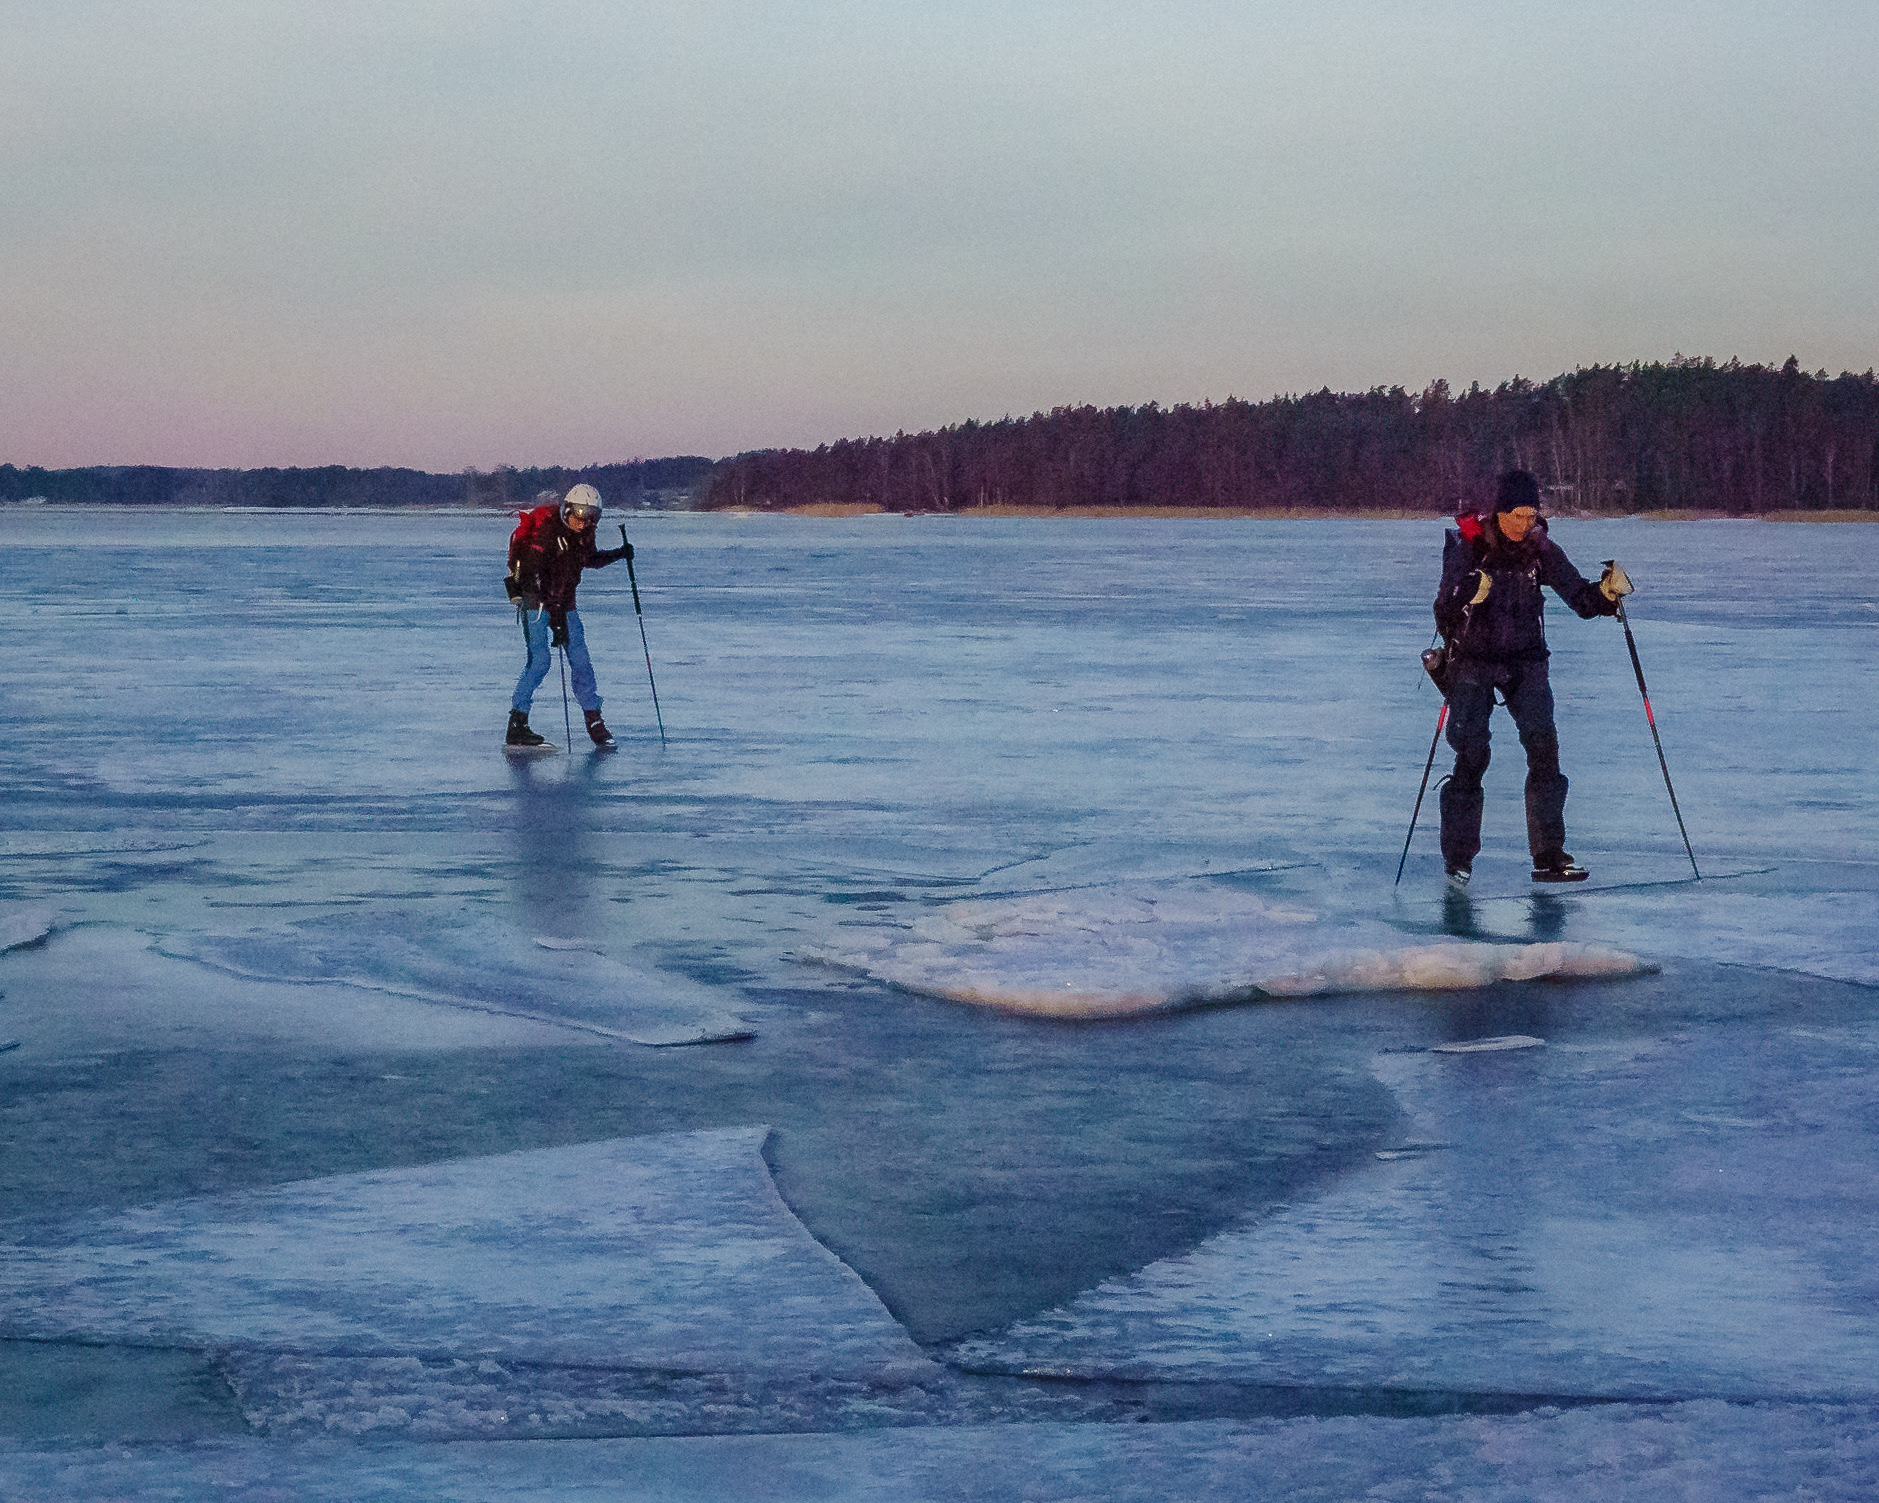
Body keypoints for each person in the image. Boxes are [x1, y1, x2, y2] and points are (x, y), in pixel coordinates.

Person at [1432, 469, 1632, 888]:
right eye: (1517, 515)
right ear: (1499, 512)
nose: (1525, 523)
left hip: (1526, 662)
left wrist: (1606, 594)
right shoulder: (1470, 547)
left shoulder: (1540, 550)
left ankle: (1549, 856)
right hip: (1473, 661)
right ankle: (1458, 859)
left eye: (1531, 514)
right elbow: (1444, 611)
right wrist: (1468, 593)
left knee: (1544, 751)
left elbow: (1580, 598)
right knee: (1472, 756)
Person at [505, 483, 633, 750]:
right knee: (539, 661)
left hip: (565, 603)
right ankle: (517, 723)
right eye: (580, 515)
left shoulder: (584, 535)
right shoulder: (547, 530)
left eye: (591, 517)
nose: (583, 522)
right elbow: (535, 577)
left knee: (581, 660)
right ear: (567, 510)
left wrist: (618, 554)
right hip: (536, 603)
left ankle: (594, 719)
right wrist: (556, 617)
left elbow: (588, 559)